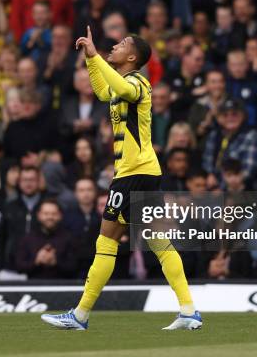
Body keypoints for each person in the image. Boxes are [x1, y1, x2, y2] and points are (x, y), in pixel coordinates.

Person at [41, 27, 201, 330]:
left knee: (107, 239)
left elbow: (122, 89)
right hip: (144, 173)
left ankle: (81, 314)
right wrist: (92, 60)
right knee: (158, 241)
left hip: (133, 174)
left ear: (132, 57)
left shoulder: (138, 82)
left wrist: (96, 56)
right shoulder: (121, 83)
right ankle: (189, 310)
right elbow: (103, 90)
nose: (114, 46)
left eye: (121, 44)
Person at [16, 198, 77, 279]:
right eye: (46, 213)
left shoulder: (69, 238)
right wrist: (36, 261)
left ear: (60, 215)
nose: (50, 217)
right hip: (32, 287)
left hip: (62, 286)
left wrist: (55, 262)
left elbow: (75, 267)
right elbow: (19, 267)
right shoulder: (28, 238)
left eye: (54, 214)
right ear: (39, 215)